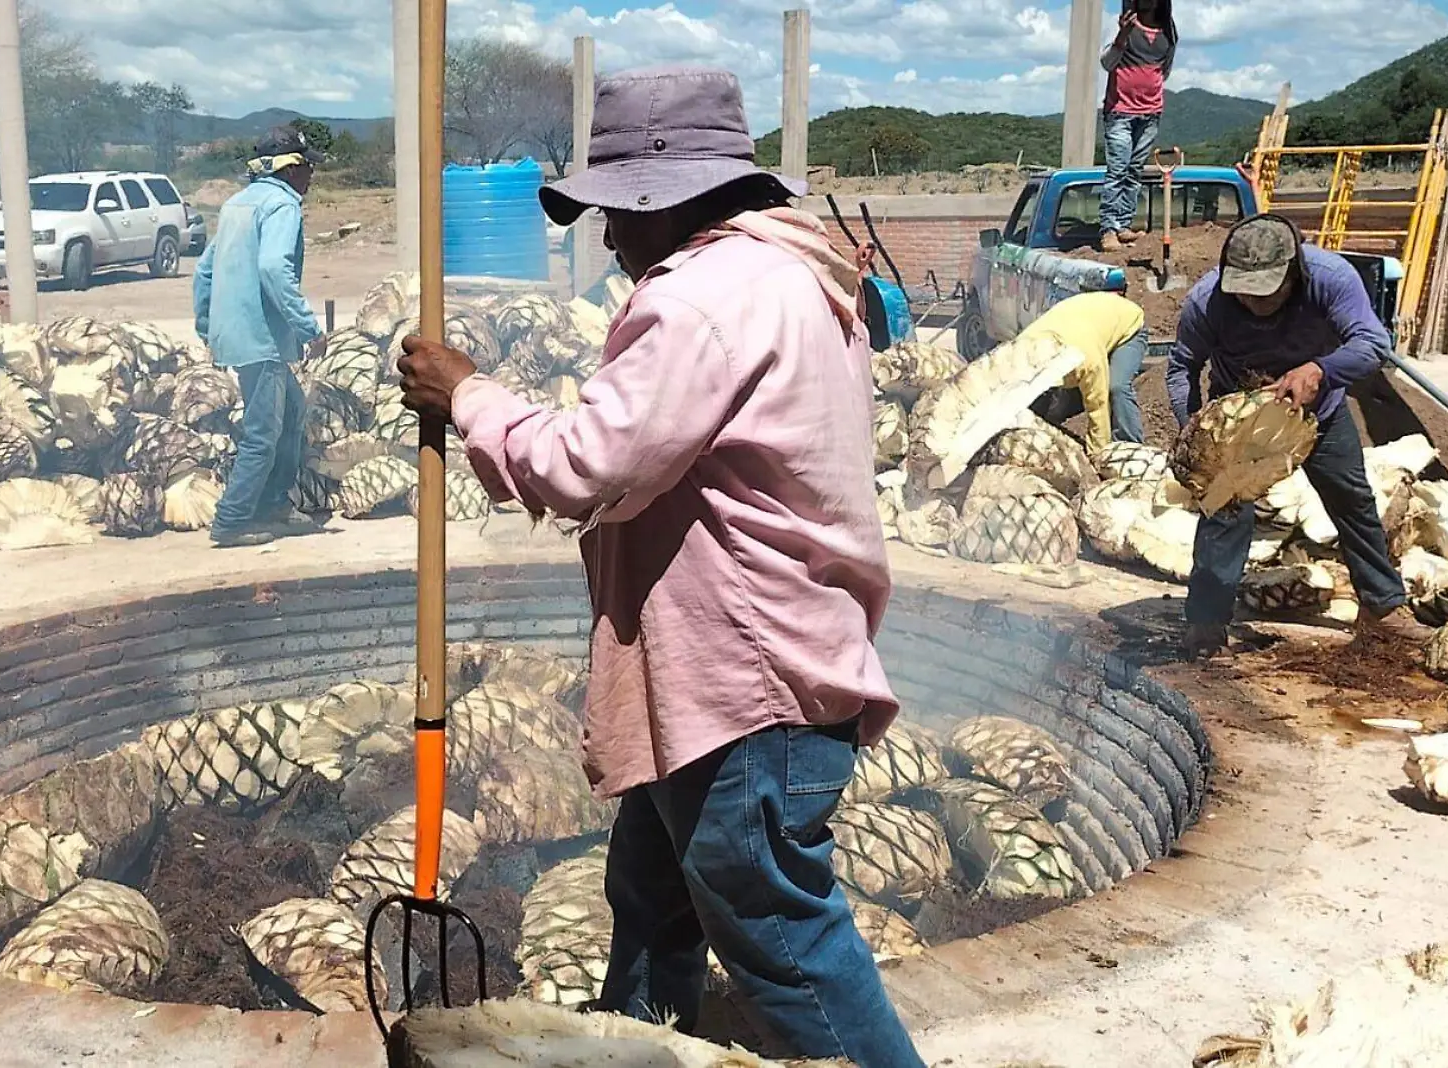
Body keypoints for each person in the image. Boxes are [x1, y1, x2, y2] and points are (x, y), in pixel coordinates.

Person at [397, 65, 928, 1068]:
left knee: (783, 940)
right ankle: (640, 1051)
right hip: (716, 677)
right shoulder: (799, 271)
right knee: (652, 900)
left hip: (746, 685)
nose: (608, 236)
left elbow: (584, 462)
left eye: (619, 213)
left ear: (676, 198)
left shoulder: (703, 300)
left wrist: (467, 395)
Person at [1167, 213, 1431, 656]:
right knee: (1225, 517)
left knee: (1352, 500)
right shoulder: (1206, 301)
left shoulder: (1331, 278)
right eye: (1245, 294)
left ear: (1294, 272)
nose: (1255, 303)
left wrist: (1321, 370)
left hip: (1318, 413)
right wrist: (1195, 431)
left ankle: (1382, 606)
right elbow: (1181, 366)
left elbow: (1373, 343)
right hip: (1238, 429)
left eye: (1267, 292)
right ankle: (1207, 622)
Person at [193, 125, 328, 548]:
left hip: (237, 334)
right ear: (290, 169)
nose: (312, 176)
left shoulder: (238, 204)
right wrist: (309, 327)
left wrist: (206, 325)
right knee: (263, 432)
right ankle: (232, 520)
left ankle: (275, 503)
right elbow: (274, 268)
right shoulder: (282, 205)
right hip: (262, 338)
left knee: (292, 411)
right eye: (308, 166)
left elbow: (204, 272)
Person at [1024, 290, 1150, 451]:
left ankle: (1130, 449)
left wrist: (1098, 453)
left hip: (1128, 325)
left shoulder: (1087, 360)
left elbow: (1098, 405)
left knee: (1116, 387)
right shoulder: (1025, 346)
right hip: (1090, 320)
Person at [1098, 0, 1177, 252]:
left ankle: (1123, 224)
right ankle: (1108, 229)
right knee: (1117, 169)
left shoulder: (1168, 33)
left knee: (1134, 171)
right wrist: (1122, 34)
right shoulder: (1128, 27)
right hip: (1121, 111)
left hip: (1150, 112)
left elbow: (1165, 70)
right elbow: (1107, 62)